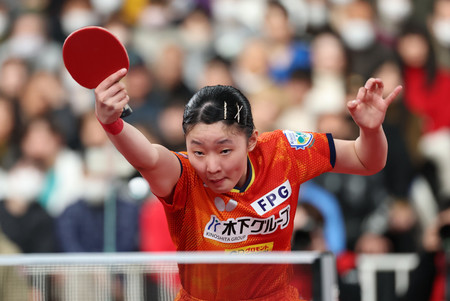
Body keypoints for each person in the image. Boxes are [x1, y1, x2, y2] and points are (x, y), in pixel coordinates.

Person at [94, 67, 402, 300]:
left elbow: (366, 161)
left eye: (225, 150)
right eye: (198, 150)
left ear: (252, 140)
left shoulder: (285, 152)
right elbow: (147, 156)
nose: (211, 166)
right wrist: (112, 123)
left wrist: (371, 131)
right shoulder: (183, 177)